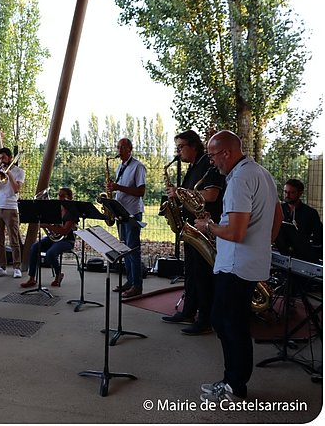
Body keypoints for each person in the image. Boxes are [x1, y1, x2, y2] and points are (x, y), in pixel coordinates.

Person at [194, 130, 282, 403]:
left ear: (227, 153)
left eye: (212, 155)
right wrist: (264, 243)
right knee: (228, 321)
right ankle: (232, 381)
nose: (212, 161)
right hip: (247, 262)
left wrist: (207, 225)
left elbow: (236, 232)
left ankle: (235, 385)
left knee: (230, 325)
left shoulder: (240, 179)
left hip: (235, 266)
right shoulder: (261, 173)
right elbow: (277, 214)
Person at [161, 129, 225, 335]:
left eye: (181, 147)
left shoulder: (208, 163)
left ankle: (205, 319)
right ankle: (188, 311)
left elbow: (212, 194)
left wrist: (180, 193)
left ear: (193, 145)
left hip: (205, 228)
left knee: (203, 275)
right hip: (191, 228)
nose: (178, 152)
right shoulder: (192, 167)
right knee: (191, 273)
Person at [108, 138, 146, 297]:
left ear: (130, 148)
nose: (119, 150)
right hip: (120, 213)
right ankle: (130, 281)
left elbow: (140, 191)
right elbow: (120, 190)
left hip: (132, 212)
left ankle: (137, 285)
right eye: (118, 147)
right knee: (125, 250)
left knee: (133, 250)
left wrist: (117, 187)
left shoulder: (138, 166)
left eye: (123, 147)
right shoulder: (120, 167)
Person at [20, 187, 78, 288]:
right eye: (59, 195)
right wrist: (45, 224)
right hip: (55, 238)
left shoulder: (72, 212)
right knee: (34, 247)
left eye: (62, 196)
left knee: (50, 254)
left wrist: (47, 226)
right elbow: (54, 228)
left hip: (67, 240)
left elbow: (64, 231)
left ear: (69, 197)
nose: (59, 198)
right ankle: (32, 278)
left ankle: (58, 274)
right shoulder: (56, 209)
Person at [0, 147, 25, 279]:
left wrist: (9, 173)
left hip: (11, 208)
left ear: (10, 158)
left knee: (14, 239)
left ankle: (17, 267)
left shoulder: (19, 172)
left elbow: (16, 189)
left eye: (3, 158)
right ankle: (2, 267)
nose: (1, 161)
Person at [281, 178, 322, 263]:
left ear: (300, 193)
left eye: (291, 192)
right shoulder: (279, 209)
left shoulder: (310, 213)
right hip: (281, 251)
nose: (287, 195)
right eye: (285, 192)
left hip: (303, 256)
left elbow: (319, 235)